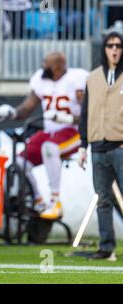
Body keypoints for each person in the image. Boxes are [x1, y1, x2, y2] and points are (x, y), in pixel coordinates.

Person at [0, 52, 88, 220]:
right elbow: (27, 107)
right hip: (49, 131)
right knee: (19, 162)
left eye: (48, 65)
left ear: (59, 67)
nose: (43, 68)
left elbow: (89, 113)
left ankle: (55, 202)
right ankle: (39, 201)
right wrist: (13, 113)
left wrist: (66, 118)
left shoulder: (77, 79)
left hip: (73, 131)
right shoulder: (40, 79)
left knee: (49, 148)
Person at [78, 31, 123, 261]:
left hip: (120, 146)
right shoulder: (93, 78)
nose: (114, 50)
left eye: (118, 45)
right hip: (98, 147)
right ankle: (107, 248)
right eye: (110, 46)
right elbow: (86, 113)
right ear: (104, 49)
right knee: (103, 199)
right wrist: (82, 145)